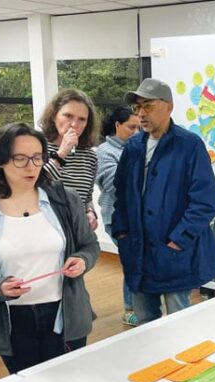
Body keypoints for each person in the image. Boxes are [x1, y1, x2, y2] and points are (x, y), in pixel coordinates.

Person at [0, 122, 99, 373]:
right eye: (20, 159)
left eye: (37, 158)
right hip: (12, 321)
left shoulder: (65, 200)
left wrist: (82, 260)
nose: (32, 167)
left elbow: (89, 245)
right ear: (0, 161)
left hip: (63, 313)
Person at [111, 78, 215, 325]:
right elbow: (120, 195)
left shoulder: (189, 145)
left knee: (178, 323)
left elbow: (205, 200)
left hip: (173, 253)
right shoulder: (133, 147)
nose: (141, 114)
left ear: (169, 107)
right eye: (137, 108)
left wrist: (178, 240)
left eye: (148, 106)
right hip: (138, 250)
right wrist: (121, 233)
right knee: (144, 323)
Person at [96, 106, 141, 326]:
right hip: (116, 218)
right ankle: (130, 309)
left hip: (138, 218)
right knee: (132, 261)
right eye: (131, 127)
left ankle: (140, 305)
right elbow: (114, 185)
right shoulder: (105, 152)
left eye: (139, 128)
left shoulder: (136, 147)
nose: (136, 132)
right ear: (117, 126)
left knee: (138, 261)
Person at [39, 89, 99, 231]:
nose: (74, 124)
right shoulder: (36, 147)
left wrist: (90, 211)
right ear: (54, 116)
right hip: (44, 228)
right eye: (68, 116)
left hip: (75, 231)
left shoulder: (89, 156)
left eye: (82, 119)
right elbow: (34, 185)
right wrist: (61, 154)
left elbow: (87, 195)